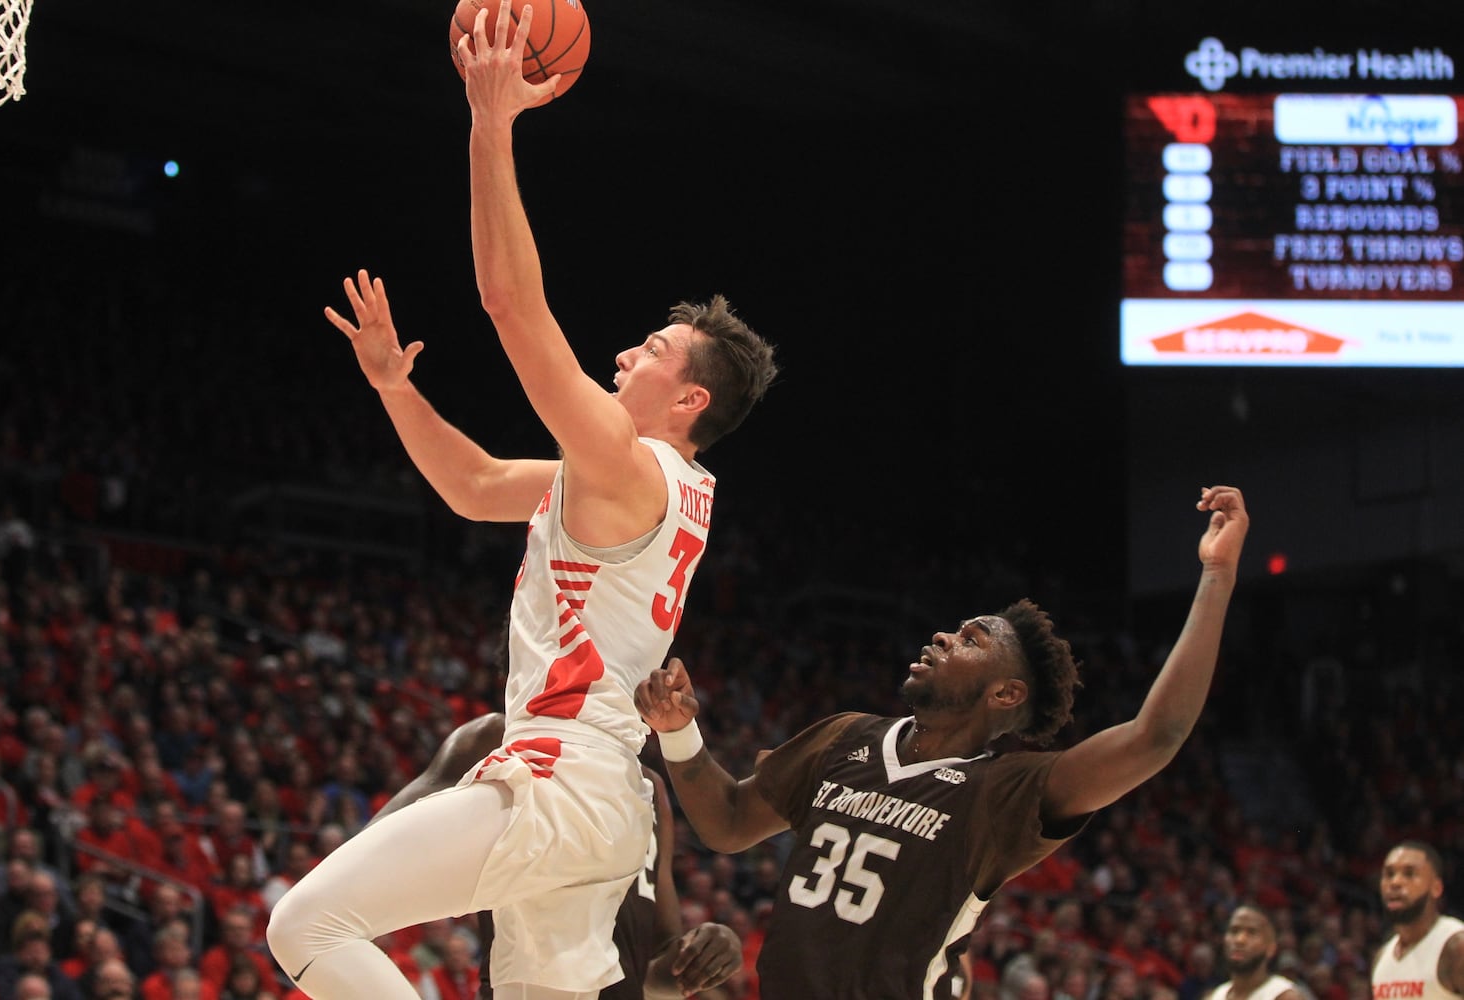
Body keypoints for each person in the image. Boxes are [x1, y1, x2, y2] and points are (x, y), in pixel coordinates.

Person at [264, 2, 776, 997]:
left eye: (653, 352)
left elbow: (511, 305)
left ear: (691, 398)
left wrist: (489, 123)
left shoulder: (628, 464)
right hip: (604, 804)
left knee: (307, 922)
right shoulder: (651, 485)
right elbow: (472, 485)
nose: (628, 352)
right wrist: (394, 386)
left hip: (563, 779)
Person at [636, 485, 1249, 999]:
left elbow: (1155, 736)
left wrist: (1217, 576)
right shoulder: (845, 736)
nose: (942, 636)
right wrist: (680, 731)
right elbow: (729, 823)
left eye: (971, 639)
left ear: (1005, 694)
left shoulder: (1003, 792)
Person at [370, 712, 745, 1000]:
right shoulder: (497, 739)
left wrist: (702, 957)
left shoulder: (650, 786)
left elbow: (657, 969)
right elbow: (372, 848)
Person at [1372, 841, 1464, 1000]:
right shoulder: (1381, 957)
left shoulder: (1456, 946)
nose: (1395, 882)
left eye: (1409, 874)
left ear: (1436, 888)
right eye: (1389, 874)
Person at [1208, 905, 1301, 1000]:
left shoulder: (1284, 996)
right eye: (1234, 931)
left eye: (1251, 932)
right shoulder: (1215, 996)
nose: (1240, 940)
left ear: (1271, 948)